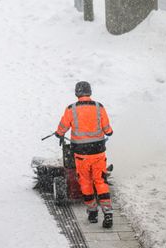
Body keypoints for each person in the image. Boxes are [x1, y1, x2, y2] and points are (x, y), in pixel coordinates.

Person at [54, 81, 114, 228]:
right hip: (98, 152)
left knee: (85, 182)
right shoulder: (99, 107)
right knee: (100, 181)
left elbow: (63, 127)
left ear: (77, 93)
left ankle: (92, 212)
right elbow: (108, 130)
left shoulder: (71, 109)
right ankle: (107, 212)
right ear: (90, 92)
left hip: (81, 154)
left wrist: (59, 133)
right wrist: (108, 132)